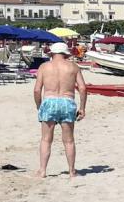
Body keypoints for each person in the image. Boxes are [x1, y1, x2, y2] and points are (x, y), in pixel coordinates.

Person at [32, 42, 87, 180]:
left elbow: (37, 89)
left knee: (46, 139)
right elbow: (82, 88)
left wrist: (39, 106)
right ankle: (71, 172)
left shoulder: (44, 67)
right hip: (67, 102)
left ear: (52, 53)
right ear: (65, 53)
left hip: (49, 101)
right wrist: (82, 108)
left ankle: (43, 171)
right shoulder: (73, 67)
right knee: (68, 141)